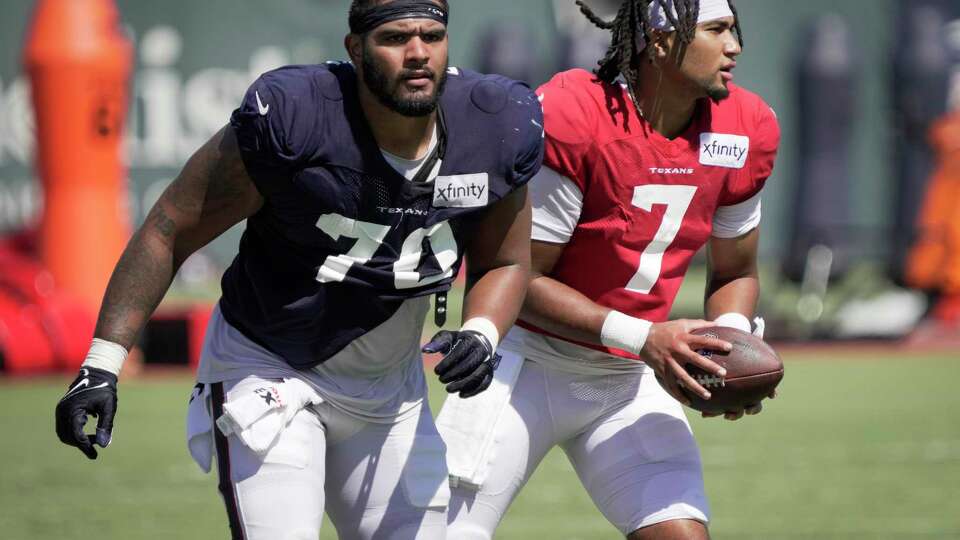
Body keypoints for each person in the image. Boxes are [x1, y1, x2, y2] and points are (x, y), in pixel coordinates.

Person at [53, 1, 544, 538]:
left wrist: (482, 331)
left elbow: (506, 261)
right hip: (271, 367)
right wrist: (101, 363)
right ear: (355, 49)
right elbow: (169, 230)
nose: (418, 53)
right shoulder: (298, 118)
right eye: (396, 37)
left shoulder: (493, 125)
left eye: (432, 35)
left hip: (391, 390)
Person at [440, 1, 780, 539]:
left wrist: (727, 350)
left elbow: (735, 273)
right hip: (525, 362)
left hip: (624, 379)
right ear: (662, 40)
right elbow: (519, 279)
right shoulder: (579, 115)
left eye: (734, 29)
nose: (735, 46)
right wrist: (644, 338)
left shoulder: (745, 127)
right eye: (717, 30)